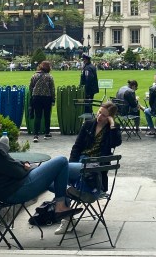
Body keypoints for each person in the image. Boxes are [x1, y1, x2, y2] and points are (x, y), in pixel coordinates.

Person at [0, 112, 81, 224]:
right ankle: (62, 204)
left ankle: (74, 190)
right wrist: (27, 167)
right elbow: (17, 172)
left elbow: (8, 165)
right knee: (61, 161)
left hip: (5, 191)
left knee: (59, 170)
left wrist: (24, 165)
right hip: (16, 191)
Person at [55, 101, 122, 235]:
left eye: (104, 115)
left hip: (96, 167)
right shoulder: (88, 124)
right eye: (99, 112)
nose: (99, 116)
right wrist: (71, 165)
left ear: (110, 117)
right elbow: (77, 147)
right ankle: (68, 213)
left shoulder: (112, 129)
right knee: (62, 176)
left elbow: (116, 142)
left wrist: (112, 124)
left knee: (60, 182)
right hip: (80, 162)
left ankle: (68, 214)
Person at [30, 61, 56, 141]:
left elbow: (31, 87)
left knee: (37, 116)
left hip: (36, 97)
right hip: (46, 98)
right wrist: (53, 99)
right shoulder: (49, 77)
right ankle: (47, 133)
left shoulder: (34, 75)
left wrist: (33, 95)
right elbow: (52, 89)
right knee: (47, 116)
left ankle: (36, 135)